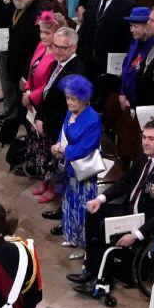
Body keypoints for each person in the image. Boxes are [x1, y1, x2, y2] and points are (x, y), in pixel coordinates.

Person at [71, 120, 154, 294]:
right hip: (132, 209)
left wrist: (137, 235)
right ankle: (91, 269)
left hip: (147, 219)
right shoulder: (145, 156)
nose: (145, 142)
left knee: (104, 228)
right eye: (144, 137)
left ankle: (104, 281)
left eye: (151, 138)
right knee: (94, 213)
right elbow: (126, 181)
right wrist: (100, 199)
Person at [54, 73, 101, 251]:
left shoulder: (93, 119)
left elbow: (85, 148)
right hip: (69, 168)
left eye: (74, 99)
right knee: (69, 204)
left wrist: (63, 150)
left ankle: (84, 245)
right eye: (67, 98)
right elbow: (63, 133)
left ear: (84, 99)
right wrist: (58, 145)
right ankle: (72, 236)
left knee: (81, 209)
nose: (70, 102)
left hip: (84, 172)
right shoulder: (69, 113)